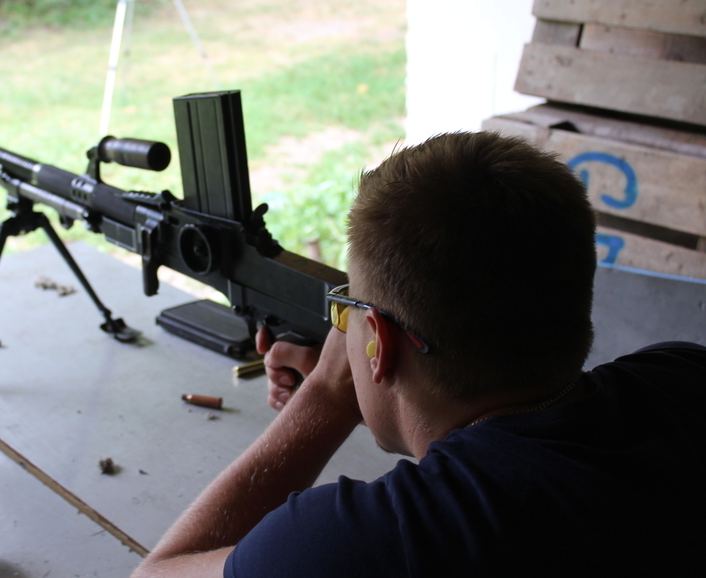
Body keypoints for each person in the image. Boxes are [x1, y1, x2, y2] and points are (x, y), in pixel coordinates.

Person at [130, 131, 706, 578]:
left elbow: (156, 574)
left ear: (378, 346)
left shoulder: (369, 542)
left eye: (347, 310)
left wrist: (328, 393)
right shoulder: (684, 376)